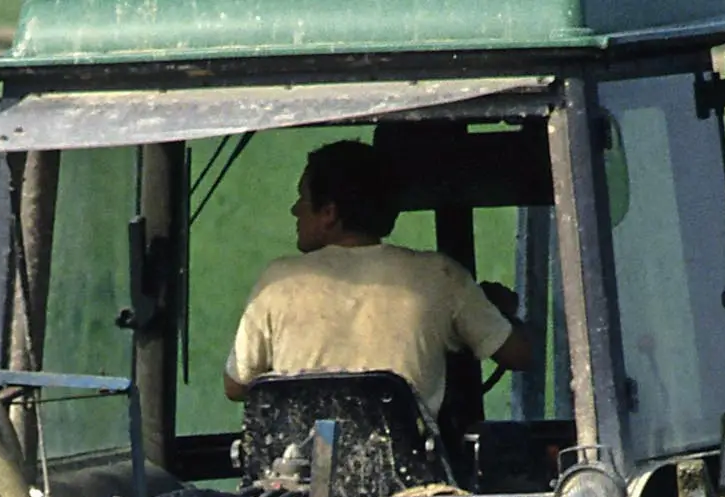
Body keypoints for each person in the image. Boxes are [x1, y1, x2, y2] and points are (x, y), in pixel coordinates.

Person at [224, 140, 534, 422]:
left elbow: (236, 385)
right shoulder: (442, 276)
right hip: (410, 479)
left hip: (299, 474)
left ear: (329, 212)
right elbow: (519, 355)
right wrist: (499, 312)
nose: (295, 210)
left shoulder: (279, 280)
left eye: (302, 199)